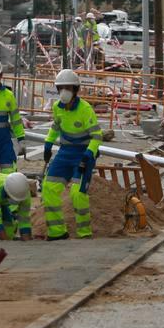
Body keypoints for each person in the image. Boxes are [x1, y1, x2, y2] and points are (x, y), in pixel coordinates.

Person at [42, 69, 103, 240]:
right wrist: (48, 143)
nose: (64, 92)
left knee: (77, 193)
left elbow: (97, 136)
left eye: (68, 88)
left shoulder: (85, 109)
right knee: (48, 188)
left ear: (75, 89)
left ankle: (84, 233)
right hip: (64, 154)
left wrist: (89, 154)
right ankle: (57, 232)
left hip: (83, 155)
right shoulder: (57, 108)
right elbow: (55, 127)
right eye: (61, 88)